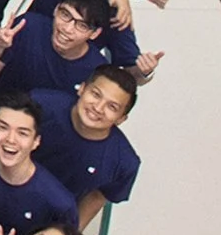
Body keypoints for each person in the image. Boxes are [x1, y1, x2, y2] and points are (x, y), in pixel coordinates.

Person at [0, 94, 78, 235]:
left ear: (36, 141)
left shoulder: (58, 203)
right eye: (3, 127)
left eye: (22, 133)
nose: (11, 139)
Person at [33, 69, 141, 226]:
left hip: (47, 224)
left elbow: (98, 197)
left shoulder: (124, 162)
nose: (98, 108)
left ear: (121, 119)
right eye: (96, 95)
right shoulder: (41, 105)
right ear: (82, 88)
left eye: (112, 107)